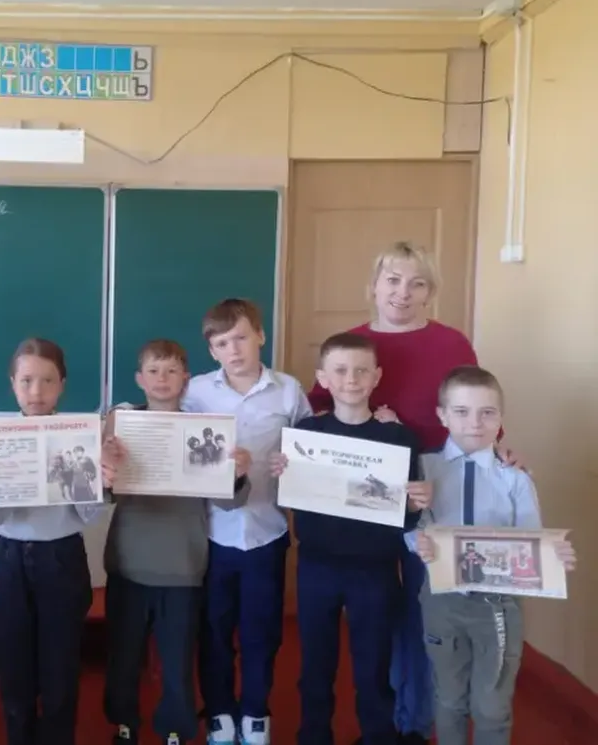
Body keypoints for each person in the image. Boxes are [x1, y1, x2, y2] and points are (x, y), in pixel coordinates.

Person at [306, 242, 496, 745]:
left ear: (430, 292)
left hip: (432, 484)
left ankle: (411, 723)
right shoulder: (353, 345)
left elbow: (475, 405)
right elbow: (318, 411)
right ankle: (380, 717)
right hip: (361, 493)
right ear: (374, 286)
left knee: (421, 606)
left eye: (417, 283)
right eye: (393, 280)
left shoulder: (452, 343)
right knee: (373, 609)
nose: (403, 293)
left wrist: (501, 450)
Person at [270, 332, 432, 745]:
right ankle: (314, 736)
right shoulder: (307, 433)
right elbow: (290, 498)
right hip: (316, 566)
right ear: (323, 378)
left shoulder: (399, 439)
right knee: (315, 665)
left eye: (362, 371)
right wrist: (283, 473)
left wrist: (416, 505)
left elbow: (406, 517)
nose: (351, 379)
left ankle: (377, 736)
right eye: (340, 371)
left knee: (373, 667)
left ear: (377, 377)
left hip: (375, 570)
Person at [0, 338, 119, 745]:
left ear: (62, 384)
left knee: (60, 669)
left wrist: (92, 480)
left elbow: (89, 517)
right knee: (14, 668)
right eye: (26, 380)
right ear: (12, 384)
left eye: (47, 380)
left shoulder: (78, 436)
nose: (36, 391)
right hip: (10, 559)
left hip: (62, 558)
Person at [415, 366, 576, 745]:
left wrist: (553, 556)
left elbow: (532, 540)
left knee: (492, 706)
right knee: (448, 697)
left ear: (501, 418)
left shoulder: (515, 478)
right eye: (461, 412)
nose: (475, 423)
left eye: (487, 412)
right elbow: (411, 522)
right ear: (442, 415)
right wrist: (417, 542)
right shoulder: (422, 469)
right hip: (442, 602)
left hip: (499, 608)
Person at [103, 339, 252, 745]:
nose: (162, 379)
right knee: (124, 657)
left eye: (171, 371)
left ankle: (175, 729)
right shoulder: (121, 427)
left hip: (183, 567)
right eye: (153, 371)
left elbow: (229, 501)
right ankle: (124, 725)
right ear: (139, 379)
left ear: (186, 378)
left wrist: (237, 473)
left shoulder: (204, 431)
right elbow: (103, 495)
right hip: (129, 563)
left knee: (178, 661)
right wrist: (105, 464)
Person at [181, 298, 313, 745]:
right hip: (211, 535)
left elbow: (314, 447)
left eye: (240, 338)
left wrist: (294, 463)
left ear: (260, 335)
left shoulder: (288, 390)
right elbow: (168, 437)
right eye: (221, 343)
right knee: (214, 630)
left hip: (266, 533)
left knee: (262, 631)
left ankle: (256, 711)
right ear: (211, 350)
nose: (233, 350)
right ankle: (219, 711)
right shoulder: (196, 392)